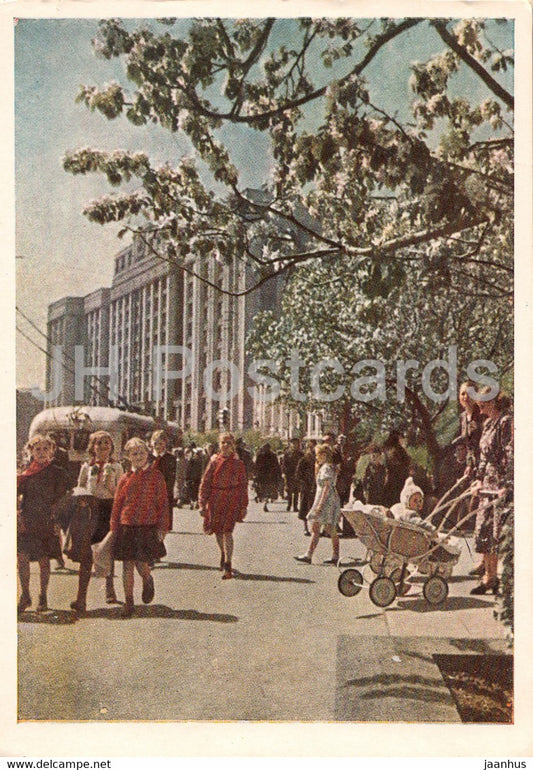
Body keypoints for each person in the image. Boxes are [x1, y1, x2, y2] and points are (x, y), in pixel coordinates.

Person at [110, 437, 169, 617]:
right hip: (127, 525)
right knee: (127, 564)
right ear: (128, 457)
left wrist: (162, 527)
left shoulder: (156, 476)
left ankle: (147, 578)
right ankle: (129, 602)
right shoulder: (124, 478)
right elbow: (117, 504)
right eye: (134, 454)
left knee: (141, 562)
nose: (138, 457)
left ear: (147, 454)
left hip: (147, 525)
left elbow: (163, 503)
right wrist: (114, 526)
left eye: (141, 453)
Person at [69, 430, 124, 613]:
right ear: (92, 447)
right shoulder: (87, 466)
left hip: (109, 509)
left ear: (111, 447)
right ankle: (81, 598)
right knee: (87, 554)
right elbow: (80, 486)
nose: (102, 447)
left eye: (106, 443)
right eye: (98, 443)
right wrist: (82, 497)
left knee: (108, 550)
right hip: (91, 510)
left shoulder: (117, 467)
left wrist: (111, 487)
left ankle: (110, 589)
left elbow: (121, 492)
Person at [17, 434, 69, 613]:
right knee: (22, 558)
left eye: (46, 449)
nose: (41, 452)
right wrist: (18, 515)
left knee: (43, 559)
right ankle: (25, 595)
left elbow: (62, 498)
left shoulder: (58, 472)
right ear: (31, 452)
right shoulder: (26, 472)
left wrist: (58, 520)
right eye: (37, 449)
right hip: (28, 519)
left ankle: (43, 595)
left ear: (52, 451)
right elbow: (16, 495)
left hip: (46, 520)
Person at [469, 388, 512, 595]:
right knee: (483, 530)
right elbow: (483, 457)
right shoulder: (487, 425)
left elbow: (510, 454)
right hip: (486, 484)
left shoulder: (505, 422)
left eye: (484, 402)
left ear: (494, 401)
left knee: (496, 532)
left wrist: (507, 483)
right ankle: (489, 576)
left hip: (500, 485)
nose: (480, 405)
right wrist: (477, 479)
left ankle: (495, 578)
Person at [198, 433, 248, 580]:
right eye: (222, 443)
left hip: (231, 499)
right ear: (218, 445)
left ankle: (228, 562)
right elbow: (205, 482)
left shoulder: (239, 464)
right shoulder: (214, 461)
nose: (225, 446)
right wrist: (202, 503)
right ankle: (223, 553)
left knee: (228, 531)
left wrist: (243, 505)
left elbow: (243, 485)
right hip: (215, 499)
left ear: (233, 446)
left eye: (228, 443)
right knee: (218, 531)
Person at [295, 444, 341, 565]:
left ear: (324, 455)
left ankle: (310, 555)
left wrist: (320, 505)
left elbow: (326, 487)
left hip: (325, 499)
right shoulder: (327, 467)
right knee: (328, 528)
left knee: (322, 527)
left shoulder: (326, 468)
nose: (316, 457)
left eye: (318, 455)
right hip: (328, 498)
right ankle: (334, 555)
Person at [149, 430, 177, 531]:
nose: (158, 446)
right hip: (149, 493)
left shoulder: (170, 458)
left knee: (162, 526)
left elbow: (171, 479)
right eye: (155, 443)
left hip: (164, 493)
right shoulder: (148, 457)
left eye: (160, 443)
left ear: (165, 443)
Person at [382, 430, 411, 508]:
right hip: (399, 479)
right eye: (401, 438)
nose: (403, 440)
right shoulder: (398, 450)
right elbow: (406, 462)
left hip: (391, 479)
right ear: (398, 438)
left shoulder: (387, 449)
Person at [295, 439, 317, 536]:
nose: (311, 449)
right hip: (306, 487)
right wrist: (303, 482)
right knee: (305, 507)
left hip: (316, 486)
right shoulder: (304, 459)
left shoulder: (318, 459)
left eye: (313, 447)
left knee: (315, 507)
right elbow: (298, 473)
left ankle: (314, 528)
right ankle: (305, 528)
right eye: (310, 447)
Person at [253, 443, 282, 512]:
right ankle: (264, 501)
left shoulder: (272, 455)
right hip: (264, 476)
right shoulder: (260, 455)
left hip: (268, 476)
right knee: (264, 490)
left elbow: (277, 466)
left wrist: (278, 474)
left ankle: (265, 501)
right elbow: (256, 466)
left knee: (266, 490)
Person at [281, 438, 304, 512]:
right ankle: (289, 504)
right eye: (293, 443)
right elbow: (284, 464)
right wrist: (284, 473)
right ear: (290, 444)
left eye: (296, 443)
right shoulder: (287, 453)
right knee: (289, 491)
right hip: (289, 474)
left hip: (298, 474)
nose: (294, 445)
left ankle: (295, 506)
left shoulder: (300, 453)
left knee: (296, 491)